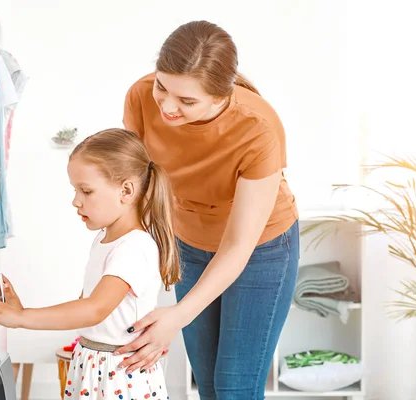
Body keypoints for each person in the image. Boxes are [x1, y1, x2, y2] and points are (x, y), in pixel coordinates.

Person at [116, 20, 300, 399]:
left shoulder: (259, 128)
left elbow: (237, 247)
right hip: (190, 240)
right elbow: (132, 184)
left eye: (187, 101)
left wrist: (175, 317)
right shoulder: (140, 96)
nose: (167, 106)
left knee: (235, 388)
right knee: (210, 386)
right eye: (162, 87)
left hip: (260, 250)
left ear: (221, 96)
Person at [0, 128, 179, 399]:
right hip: (97, 366)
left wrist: (20, 318)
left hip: (118, 374)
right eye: (75, 190)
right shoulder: (104, 240)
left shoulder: (134, 247)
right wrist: (22, 312)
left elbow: (93, 310)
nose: (75, 200)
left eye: (86, 191)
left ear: (126, 191)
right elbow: (84, 309)